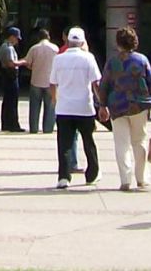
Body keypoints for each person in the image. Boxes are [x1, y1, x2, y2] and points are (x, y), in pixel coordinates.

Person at [100, 25, 151, 190]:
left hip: (117, 106)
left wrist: (102, 105)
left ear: (118, 43)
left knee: (121, 143)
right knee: (139, 141)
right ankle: (141, 178)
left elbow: (104, 85)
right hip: (139, 106)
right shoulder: (142, 60)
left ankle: (125, 179)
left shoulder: (112, 62)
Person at [49, 26, 102, 188]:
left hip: (64, 108)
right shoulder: (88, 58)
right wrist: (102, 103)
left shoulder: (59, 58)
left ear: (68, 41)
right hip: (84, 108)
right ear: (82, 42)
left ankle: (64, 177)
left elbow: (53, 83)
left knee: (64, 143)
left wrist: (55, 99)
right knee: (88, 141)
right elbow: (96, 83)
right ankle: (92, 174)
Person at [24, 28, 59, 134]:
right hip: (50, 82)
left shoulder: (34, 49)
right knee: (50, 106)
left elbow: (28, 63)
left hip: (36, 81)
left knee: (34, 107)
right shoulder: (55, 48)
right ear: (48, 37)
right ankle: (48, 129)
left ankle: (34, 128)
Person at [0, 27, 26, 132]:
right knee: (12, 101)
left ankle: (7, 123)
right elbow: (11, 63)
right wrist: (24, 62)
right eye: (16, 38)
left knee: (8, 100)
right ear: (11, 37)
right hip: (10, 75)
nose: (17, 40)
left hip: (6, 75)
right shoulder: (8, 48)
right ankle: (12, 124)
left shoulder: (4, 46)